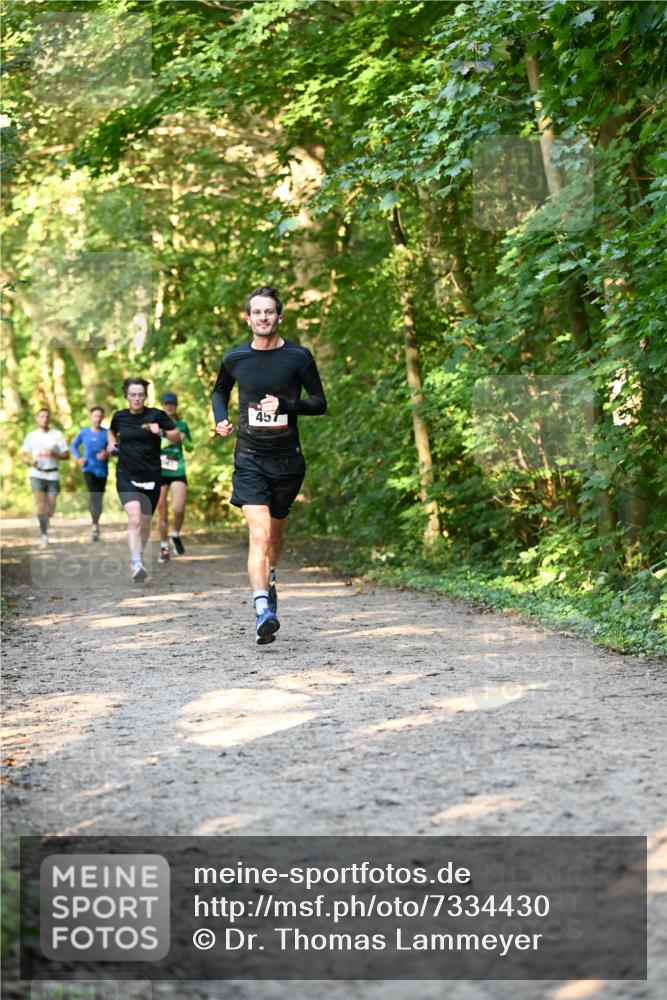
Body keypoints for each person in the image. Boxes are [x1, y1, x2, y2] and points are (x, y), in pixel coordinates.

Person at [211, 285, 327, 644]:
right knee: (258, 534)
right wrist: (221, 418)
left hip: (287, 460)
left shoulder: (298, 356)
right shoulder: (235, 358)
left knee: (274, 537)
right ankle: (262, 608)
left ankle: (270, 578)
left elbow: (319, 402)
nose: (263, 318)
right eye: (257, 313)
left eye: (269, 312)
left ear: (280, 316)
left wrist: (286, 406)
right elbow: (220, 390)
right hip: (249, 457)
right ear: (248, 319)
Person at [105, 378, 179, 582]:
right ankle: (136, 561)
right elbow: (111, 431)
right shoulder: (119, 417)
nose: (137, 399)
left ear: (145, 396)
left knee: (145, 523)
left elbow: (177, 436)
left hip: (152, 477)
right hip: (126, 475)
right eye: (133, 395)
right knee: (135, 518)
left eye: (140, 395)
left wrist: (161, 431)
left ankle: (139, 554)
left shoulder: (156, 415)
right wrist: (111, 444)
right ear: (126, 396)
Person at [20, 407, 69, 547]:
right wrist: (30, 461)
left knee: (51, 508)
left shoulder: (57, 434)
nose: (44, 419)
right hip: (37, 474)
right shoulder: (31, 435)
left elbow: (66, 455)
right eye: (41, 416)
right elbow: (23, 454)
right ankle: (44, 536)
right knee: (41, 506)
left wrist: (54, 454)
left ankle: (46, 521)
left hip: (53, 474)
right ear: (37, 418)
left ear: (50, 419)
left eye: (47, 416)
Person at [156, 391, 192, 563]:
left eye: (172, 404)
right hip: (159, 472)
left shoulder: (182, 425)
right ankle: (164, 547)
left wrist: (183, 440)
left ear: (176, 406)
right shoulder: (156, 425)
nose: (169, 406)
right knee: (161, 511)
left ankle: (175, 534)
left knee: (178, 509)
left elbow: (191, 447)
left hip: (178, 470)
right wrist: (166, 437)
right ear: (162, 406)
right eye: (166, 403)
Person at [70, 405, 109, 542]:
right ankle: (94, 526)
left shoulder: (107, 433)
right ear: (91, 417)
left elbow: (117, 449)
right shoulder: (83, 432)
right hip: (88, 469)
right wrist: (78, 458)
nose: (97, 418)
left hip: (102, 471)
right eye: (95, 416)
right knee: (93, 495)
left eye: (100, 416)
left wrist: (107, 452)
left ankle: (96, 523)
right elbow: (73, 445)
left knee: (99, 498)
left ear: (102, 417)